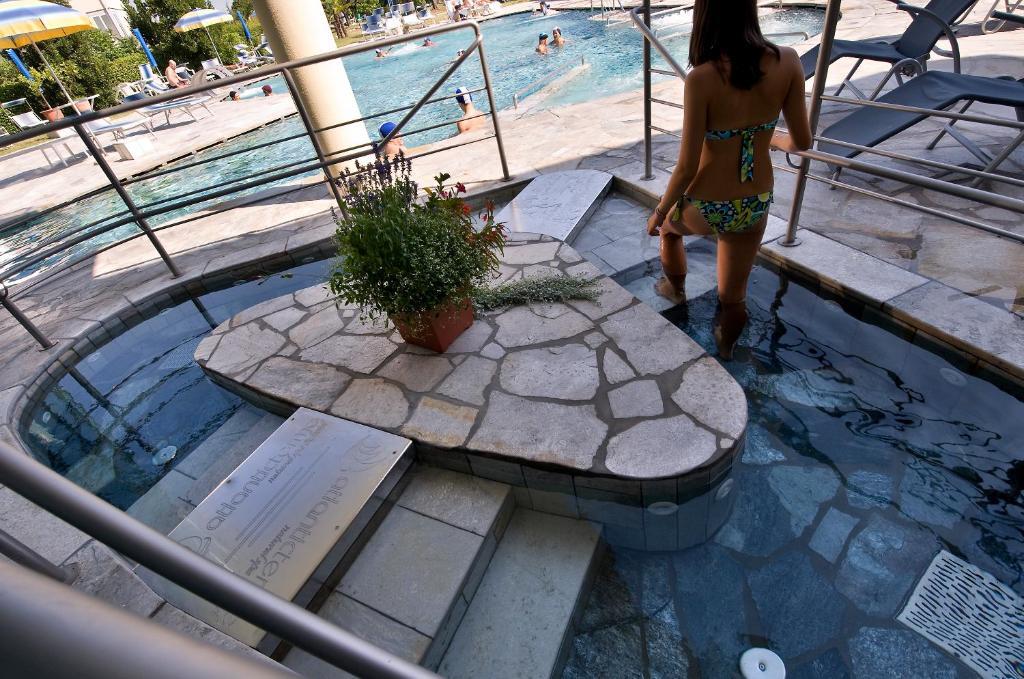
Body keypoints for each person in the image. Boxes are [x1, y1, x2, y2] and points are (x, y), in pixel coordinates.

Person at [645, 0, 811, 358]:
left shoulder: (702, 78)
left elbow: (687, 166)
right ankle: (726, 351)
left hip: (705, 205)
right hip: (754, 203)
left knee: (670, 233)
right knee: (733, 297)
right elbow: (802, 142)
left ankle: (675, 291)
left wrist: (659, 212)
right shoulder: (788, 61)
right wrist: (769, 138)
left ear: (704, 15)